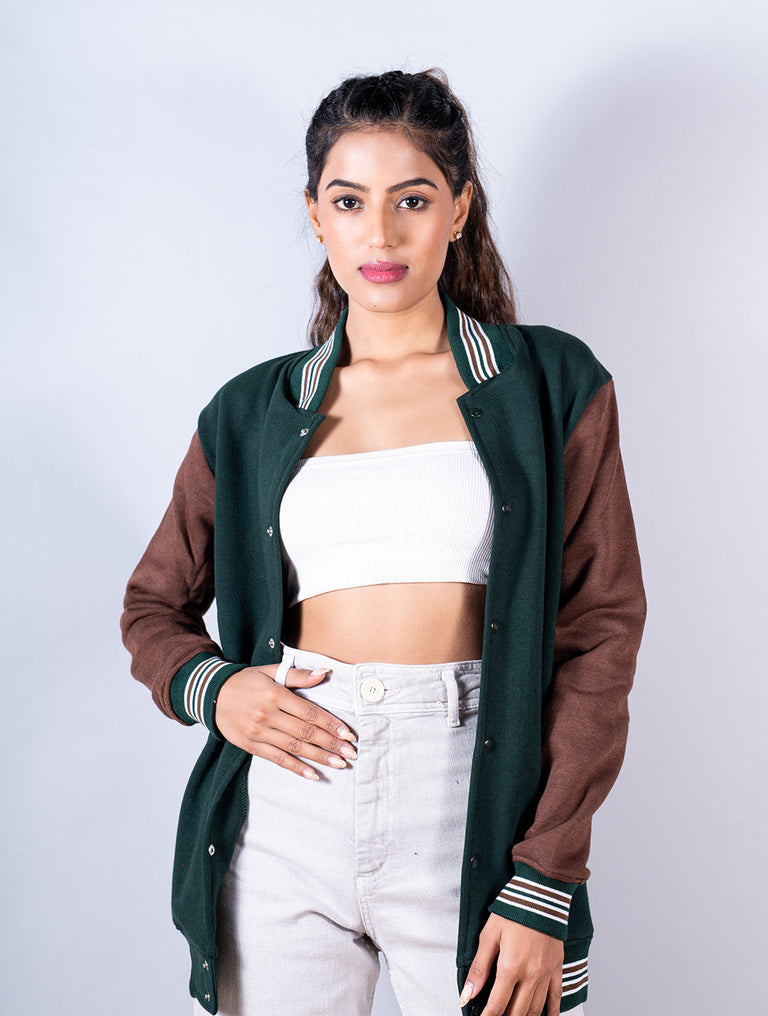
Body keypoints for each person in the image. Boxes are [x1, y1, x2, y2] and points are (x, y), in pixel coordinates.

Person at [121, 69, 646, 1016]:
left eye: (412, 199)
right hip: (285, 807)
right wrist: (219, 690)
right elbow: (153, 606)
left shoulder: (550, 385)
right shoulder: (251, 411)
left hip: (471, 808)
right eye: (348, 201)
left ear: (459, 210)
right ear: (315, 215)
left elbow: (601, 631)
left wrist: (545, 877)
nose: (380, 234)